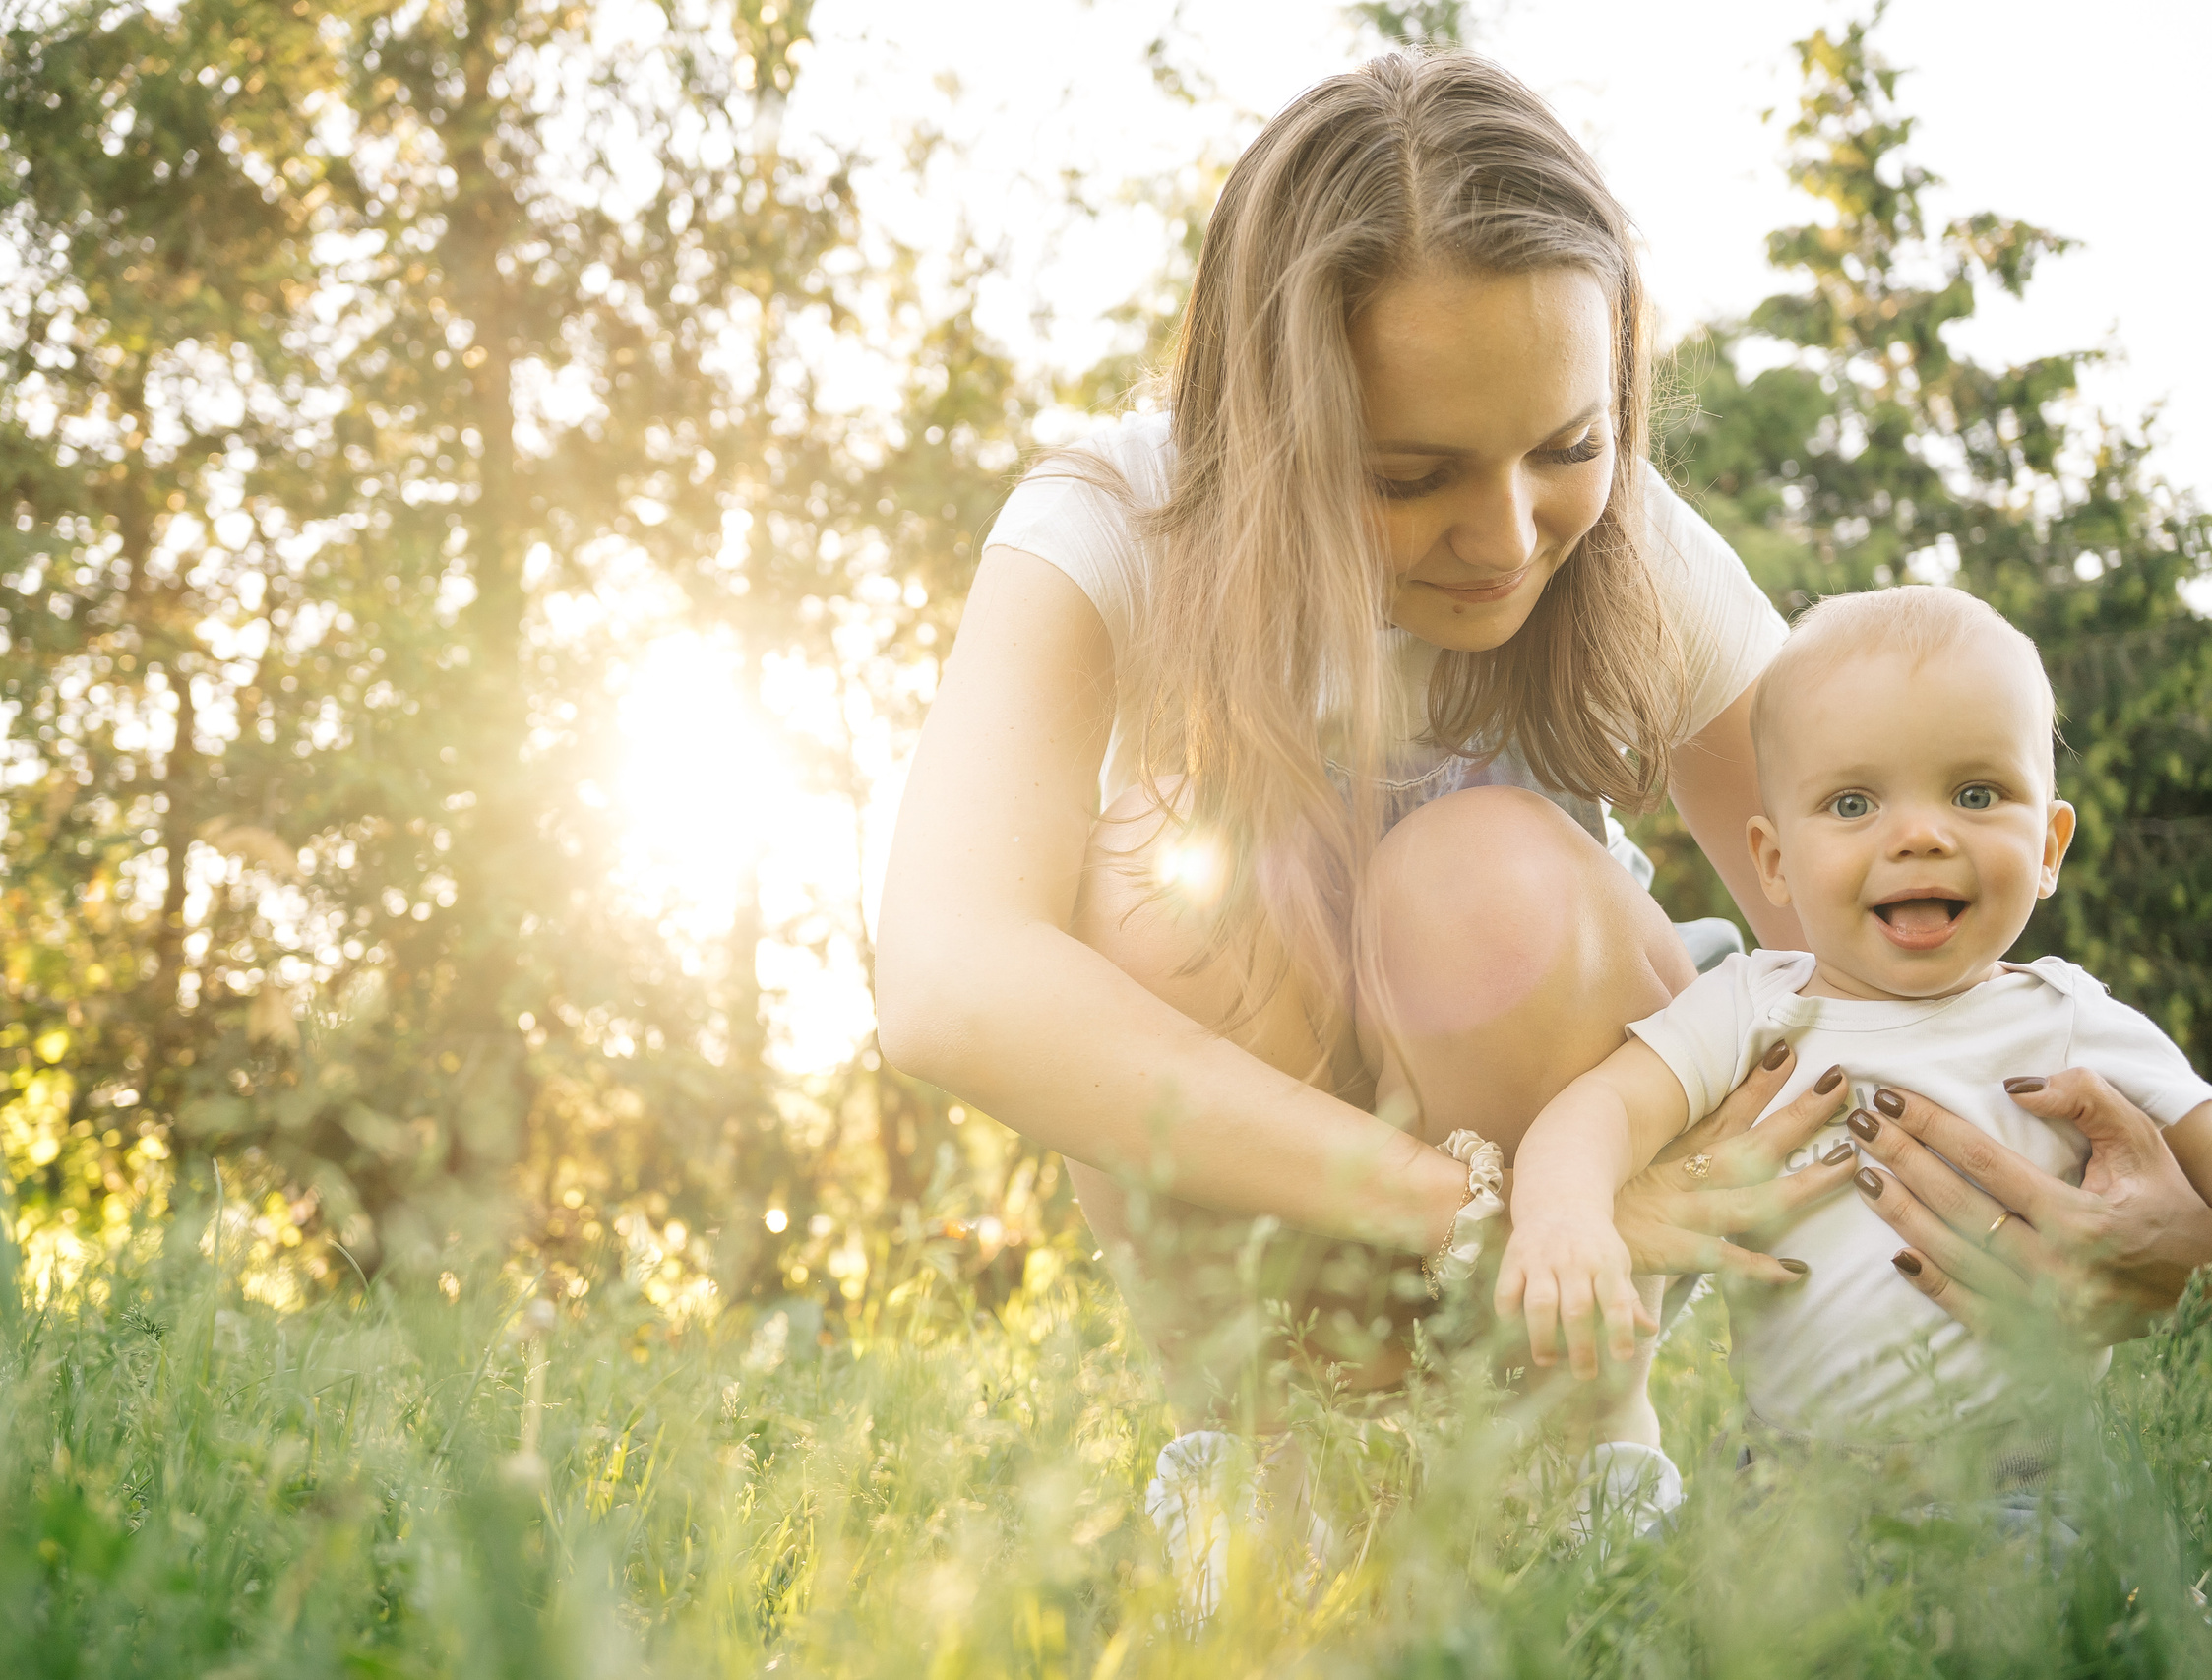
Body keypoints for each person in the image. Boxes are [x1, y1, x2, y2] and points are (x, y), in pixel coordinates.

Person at [870, 47, 2208, 1601]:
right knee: (1175, 878)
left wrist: (2116, 1200)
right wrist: (1492, 1204)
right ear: (1270, 424)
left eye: (1568, 448)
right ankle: (1286, 1465)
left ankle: (1581, 1455)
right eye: (1407, 472)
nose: (1510, 539)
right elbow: (949, 979)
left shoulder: (1633, 544)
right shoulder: (1115, 523)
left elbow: (1866, 934)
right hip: (1478, 1183)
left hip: (1586, 1128)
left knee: (1481, 879)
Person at [1498, 588, 2212, 1450]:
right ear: (1773, 859)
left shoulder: (2065, 1019)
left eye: (1978, 794)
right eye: (1852, 804)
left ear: (2051, 847)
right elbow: (1600, 1109)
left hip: (2024, 1474)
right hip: (1788, 1474)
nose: (1919, 834)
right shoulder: (1753, 1005)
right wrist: (1563, 1215)